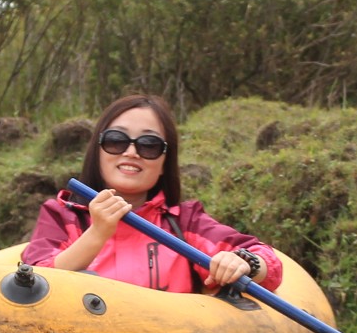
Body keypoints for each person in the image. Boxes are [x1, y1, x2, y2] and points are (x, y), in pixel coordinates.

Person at [22, 95, 283, 293]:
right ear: (98, 150)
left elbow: (265, 260)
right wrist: (97, 233)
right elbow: (31, 282)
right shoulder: (61, 216)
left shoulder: (185, 222)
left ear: (163, 163)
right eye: (116, 140)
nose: (131, 152)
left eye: (149, 145)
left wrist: (244, 263)